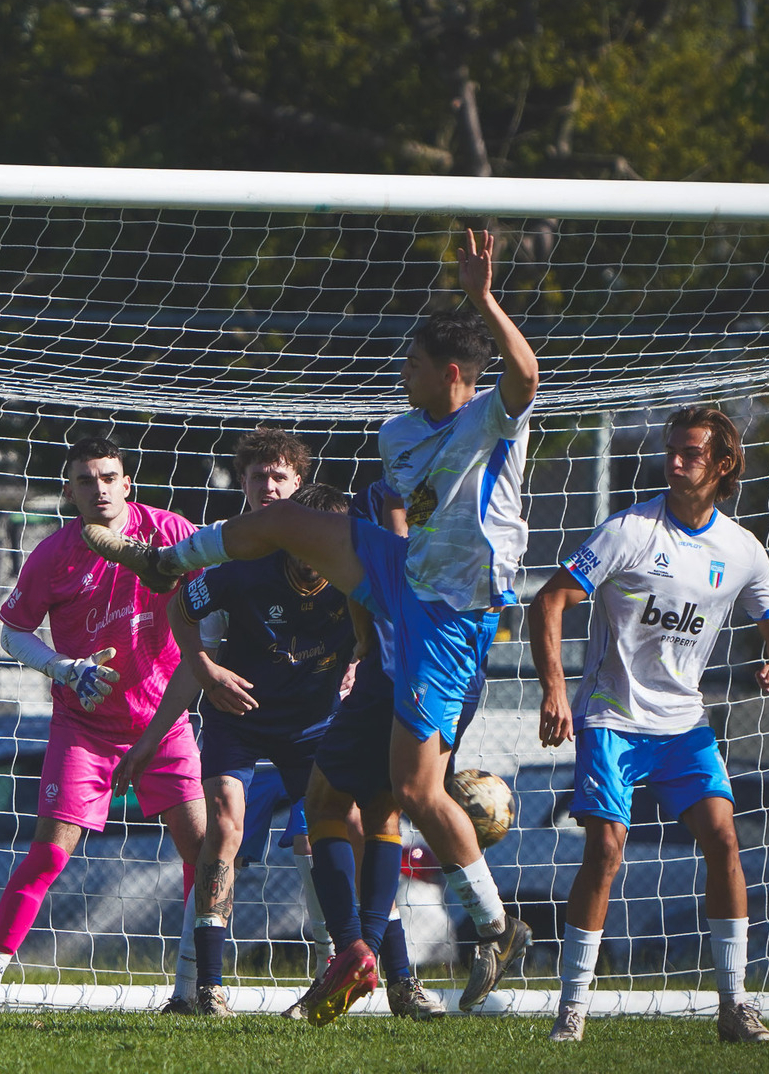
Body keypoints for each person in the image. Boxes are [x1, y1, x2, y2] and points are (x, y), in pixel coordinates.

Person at [83, 231, 538, 1012]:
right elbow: (405, 520)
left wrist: (482, 297)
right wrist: (367, 609)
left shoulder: (492, 420)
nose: (400, 376)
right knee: (289, 526)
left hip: (449, 615)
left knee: (412, 792)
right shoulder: (397, 435)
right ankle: (170, 558)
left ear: (452, 375)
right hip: (400, 579)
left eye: (412, 366)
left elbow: (526, 374)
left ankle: (495, 926)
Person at [530, 406, 769, 1044]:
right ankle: (572, 1010)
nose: (674, 461)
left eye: (691, 453)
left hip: (684, 725)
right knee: (606, 850)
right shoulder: (629, 530)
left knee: (724, 841)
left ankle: (733, 1004)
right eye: (671, 450)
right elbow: (549, 599)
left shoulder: (741, 550)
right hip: (612, 718)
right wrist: (554, 690)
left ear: (724, 466)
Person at [0, 437, 206, 1014]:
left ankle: (195, 985)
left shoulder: (170, 533)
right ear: (69, 491)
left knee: (203, 851)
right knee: (48, 855)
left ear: (128, 483)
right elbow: (12, 630)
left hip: (163, 722)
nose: (99, 489)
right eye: (86, 480)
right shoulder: (53, 555)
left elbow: (214, 597)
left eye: (109, 477)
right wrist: (62, 668)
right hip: (84, 726)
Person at [116, 478, 356, 1017]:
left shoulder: (356, 578)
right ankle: (209, 986)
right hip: (238, 718)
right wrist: (204, 667)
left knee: (342, 830)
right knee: (224, 825)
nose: (311, 560)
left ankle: (361, 970)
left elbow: (386, 629)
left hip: (313, 727)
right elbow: (181, 605)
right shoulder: (243, 572)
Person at [295, 480, 449, 1023]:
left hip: (389, 677)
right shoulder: (459, 501)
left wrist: (362, 646)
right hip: (442, 674)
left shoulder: (379, 506)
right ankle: (394, 974)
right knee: (385, 812)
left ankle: (356, 952)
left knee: (326, 805)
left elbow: (379, 572)